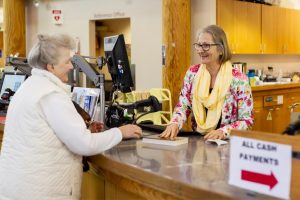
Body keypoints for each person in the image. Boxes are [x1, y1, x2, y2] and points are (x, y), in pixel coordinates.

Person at [0, 34, 142, 199]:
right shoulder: (51, 94)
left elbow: (50, 132)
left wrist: (85, 129)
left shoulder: (30, 86)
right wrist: (121, 132)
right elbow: (83, 144)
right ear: (51, 67)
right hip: (41, 191)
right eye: (66, 62)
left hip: (18, 187)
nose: (71, 67)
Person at [161, 25, 253, 140]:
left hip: (227, 144)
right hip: (200, 141)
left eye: (206, 45)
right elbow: (183, 106)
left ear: (220, 49)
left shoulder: (239, 79)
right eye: (198, 45)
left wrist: (223, 131)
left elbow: (247, 121)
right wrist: (175, 123)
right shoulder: (192, 73)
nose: (200, 50)